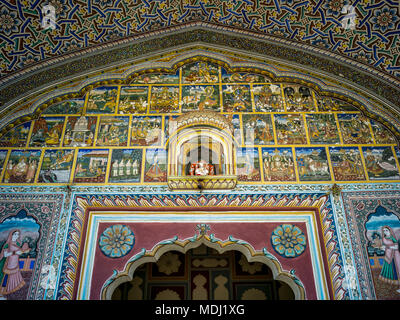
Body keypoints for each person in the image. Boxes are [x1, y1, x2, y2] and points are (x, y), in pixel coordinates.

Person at [0, 229, 30, 296]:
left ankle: (9, 290)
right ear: (11, 235)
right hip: (8, 263)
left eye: (18, 234)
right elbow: (5, 255)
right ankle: (2, 291)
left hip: (15, 262)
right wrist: (15, 252)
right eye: (15, 234)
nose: (17, 236)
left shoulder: (18, 244)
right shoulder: (8, 244)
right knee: (6, 276)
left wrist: (24, 250)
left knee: (13, 276)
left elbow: (20, 252)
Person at [378, 226, 400, 293]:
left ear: (390, 230)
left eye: (386, 230)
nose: (385, 232)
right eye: (384, 231)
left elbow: (396, 246)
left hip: (394, 255)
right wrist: (383, 248)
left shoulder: (392, 237)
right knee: (392, 269)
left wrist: (387, 247)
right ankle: (394, 282)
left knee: (397, 269)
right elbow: (384, 247)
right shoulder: (384, 238)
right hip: (388, 256)